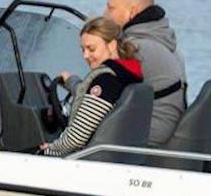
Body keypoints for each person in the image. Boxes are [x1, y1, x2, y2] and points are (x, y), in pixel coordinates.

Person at [39, 17, 143, 157]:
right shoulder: (125, 76)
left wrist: (47, 150)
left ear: (111, 45)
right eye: (83, 50)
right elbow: (93, 98)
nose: (85, 56)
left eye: (91, 49)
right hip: (116, 157)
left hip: (90, 160)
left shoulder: (106, 82)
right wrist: (70, 81)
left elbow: (76, 138)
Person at [103, 0, 187, 147]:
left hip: (146, 136)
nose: (105, 14)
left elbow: (101, 94)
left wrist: (71, 83)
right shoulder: (164, 43)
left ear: (131, 13)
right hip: (165, 129)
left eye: (110, 8)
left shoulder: (134, 49)